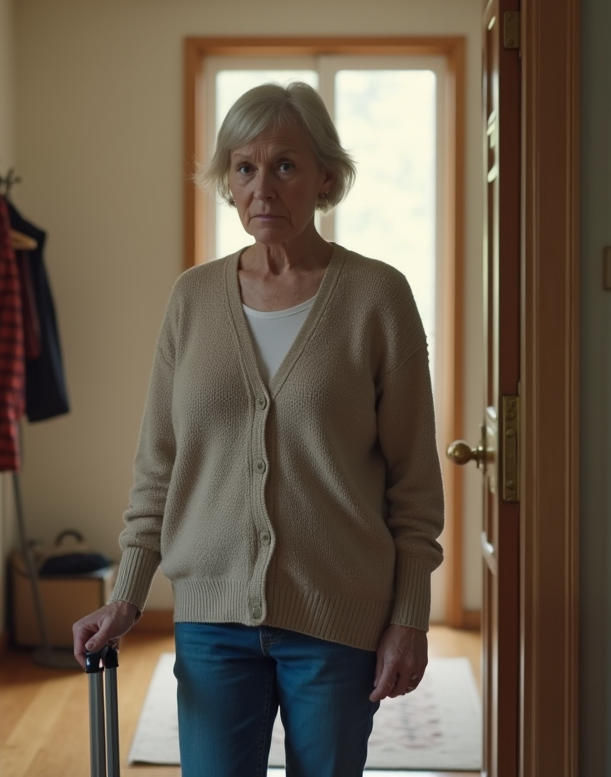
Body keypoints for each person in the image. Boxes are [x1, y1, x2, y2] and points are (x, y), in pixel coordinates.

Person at [71, 81, 445, 777]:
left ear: (326, 177)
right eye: (244, 167)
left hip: (338, 619)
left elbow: (415, 485)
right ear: (228, 182)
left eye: (286, 165)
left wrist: (410, 615)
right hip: (212, 625)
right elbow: (159, 467)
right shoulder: (191, 300)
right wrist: (124, 596)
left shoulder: (377, 298)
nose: (262, 187)